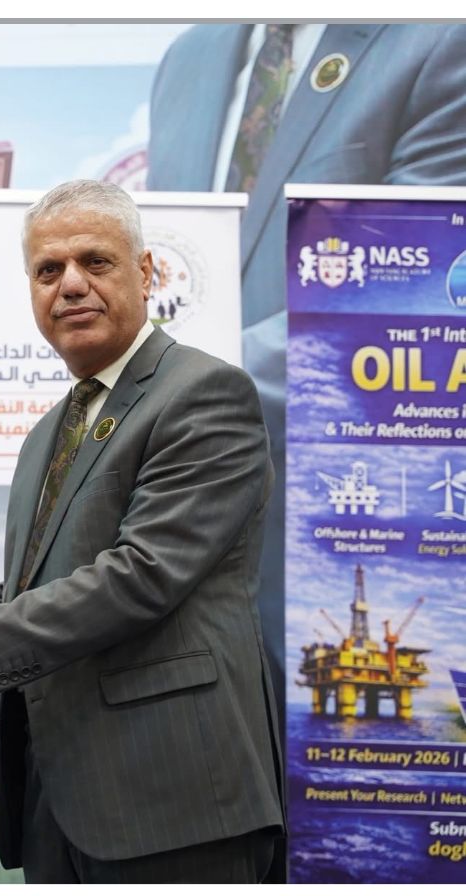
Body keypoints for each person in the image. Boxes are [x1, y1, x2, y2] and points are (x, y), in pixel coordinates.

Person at [0, 180, 284, 883]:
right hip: (58, 804)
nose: (70, 284)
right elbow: (27, 601)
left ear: (146, 273)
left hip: (178, 800)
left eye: (95, 262)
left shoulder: (203, 393)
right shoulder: (48, 434)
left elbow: (140, 577)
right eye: (48, 270)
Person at [146, 23, 466, 730]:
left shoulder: (442, 38)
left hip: (342, 522)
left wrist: (164, 394)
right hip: (172, 550)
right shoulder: (189, 56)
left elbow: (407, 298)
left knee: (347, 767)